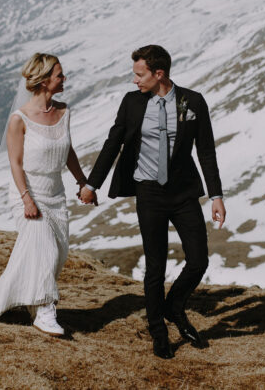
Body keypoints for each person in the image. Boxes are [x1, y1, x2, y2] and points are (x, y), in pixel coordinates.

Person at [79, 44, 226, 359]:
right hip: (149, 193)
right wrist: (92, 184)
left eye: (139, 74)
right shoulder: (132, 103)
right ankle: (159, 332)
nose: (134, 80)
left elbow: (206, 151)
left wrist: (216, 196)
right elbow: (113, 143)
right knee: (155, 266)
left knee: (199, 260)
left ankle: (175, 305)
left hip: (184, 193)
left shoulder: (192, 101)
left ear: (159, 74)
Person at [0, 53, 91, 336]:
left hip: (56, 193)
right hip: (28, 193)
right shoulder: (20, 119)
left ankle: (19, 299)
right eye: (59, 75)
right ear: (43, 80)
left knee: (59, 254)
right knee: (45, 250)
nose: (64, 79)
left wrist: (81, 181)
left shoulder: (64, 112)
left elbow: (68, 151)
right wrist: (27, 198)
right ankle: (44, 310)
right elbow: (15, 163)